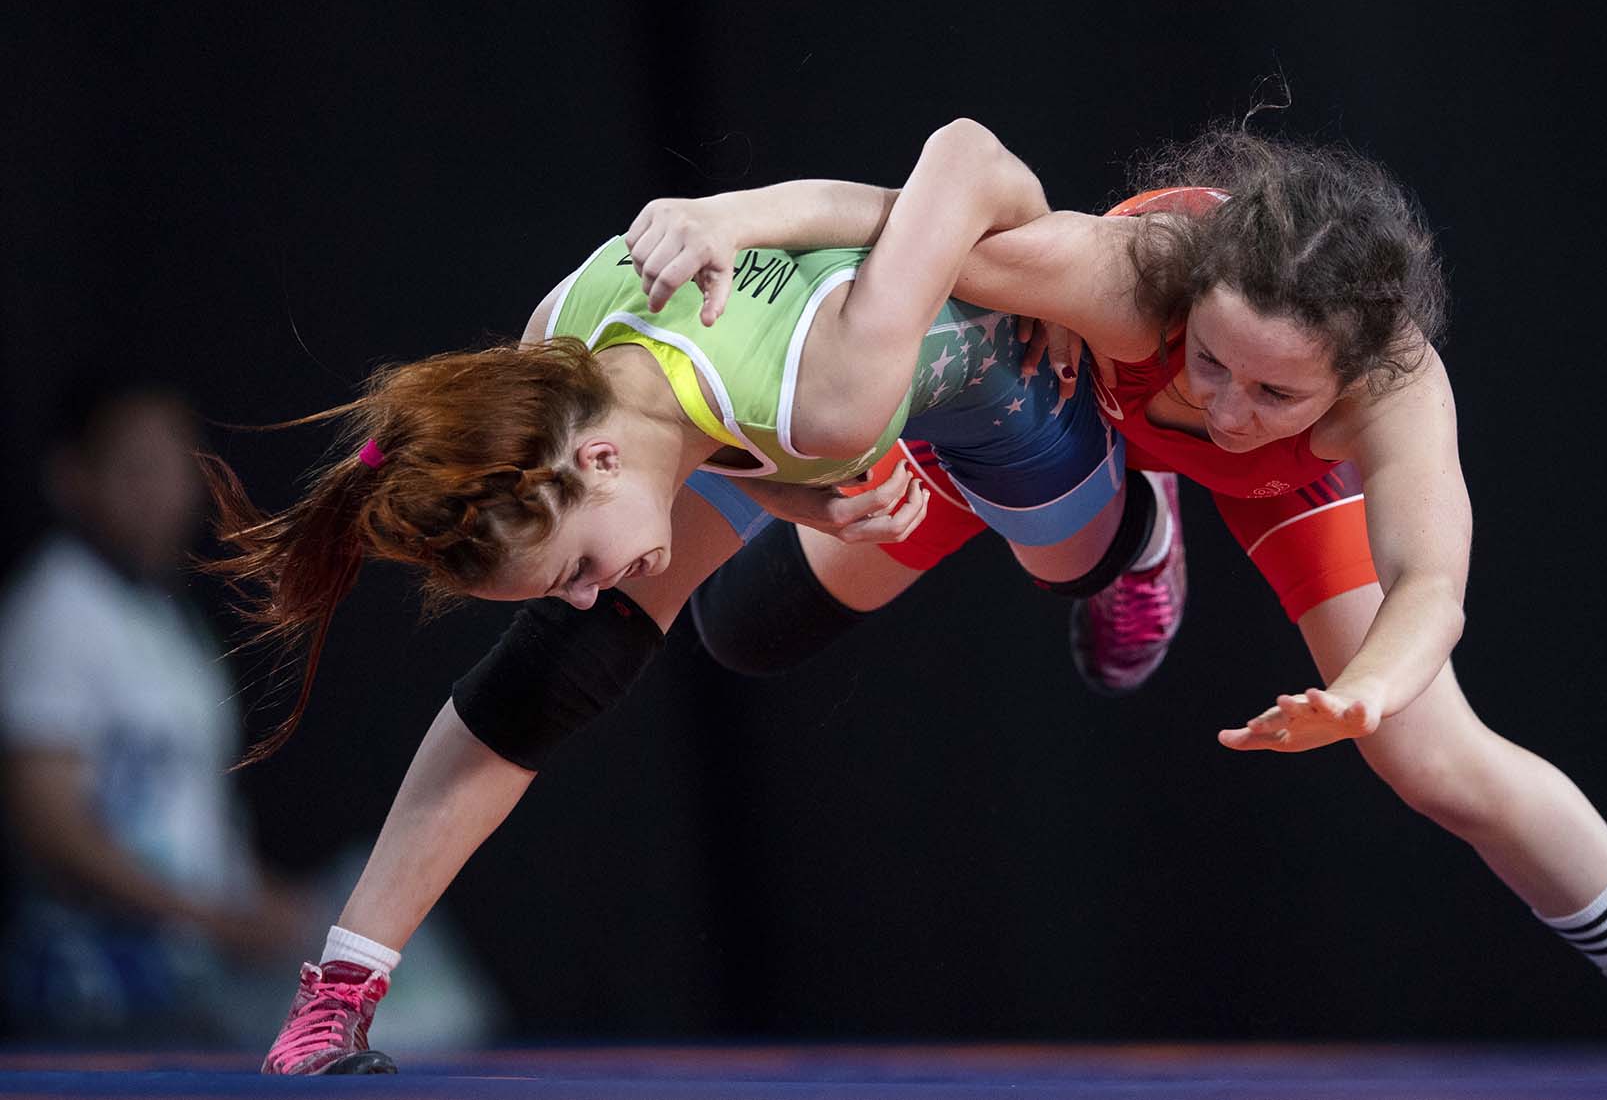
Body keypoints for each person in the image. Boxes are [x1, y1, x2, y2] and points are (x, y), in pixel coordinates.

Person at [681, 129, 1607, 1084]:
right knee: (746, 626)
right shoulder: (1125, 275)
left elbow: (1431, 586)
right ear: (1187, 302)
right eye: (1210, 362)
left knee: (1432, 757)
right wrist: (720, 217)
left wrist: (1365, 696)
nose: (1225, 407)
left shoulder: (1397, 393)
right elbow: (887, 218)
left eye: (1275, 390)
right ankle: (1138, 528)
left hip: (1286, 491)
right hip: (1065, 403)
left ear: (1350, 377)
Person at [204, 121, 1178, 1074]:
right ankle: (340, 988)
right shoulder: (556, 351)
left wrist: (1051, 270)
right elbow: (695, 428)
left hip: (998, 382)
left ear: (595, 458)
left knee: (1071, 563)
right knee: (613, 653)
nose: (584, 594)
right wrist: (793, 495)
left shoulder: (822, 397)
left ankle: (1147, 529)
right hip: (794, 406)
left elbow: (966, 155)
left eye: (576, 567)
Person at [0, 373, 310, 1044]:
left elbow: (184, 807)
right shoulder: (56, 612)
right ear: (71, 477)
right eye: (137, 467)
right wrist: (211, 917)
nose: (164, 493)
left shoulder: (164, 616)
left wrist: (262, 902)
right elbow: (49, 827)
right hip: (92, 997)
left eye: (177, 465)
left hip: (187, 980)